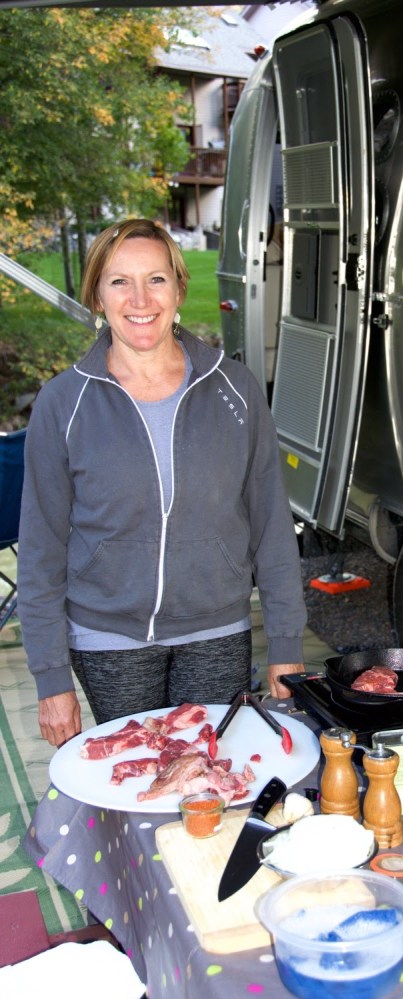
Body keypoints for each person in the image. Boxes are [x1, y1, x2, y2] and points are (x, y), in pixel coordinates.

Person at [18, 218, 306, 747]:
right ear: (97, 296)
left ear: (178, 288)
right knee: (136, 779)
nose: (140, 299)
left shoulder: (235, 389)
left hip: (217, 631)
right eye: (119, 281)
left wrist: (286, 642)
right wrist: (51, 678)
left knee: (208, 775)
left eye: (155, 279)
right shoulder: (63, 402)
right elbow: (40, 550)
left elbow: (271, 525)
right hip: (108, 638)